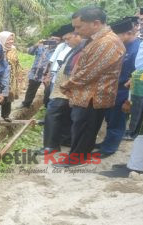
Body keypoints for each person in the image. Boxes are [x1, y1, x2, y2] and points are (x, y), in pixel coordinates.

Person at [56, 6, 125, 167]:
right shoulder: (98, 40)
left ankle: (77, 160)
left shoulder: (107, 42)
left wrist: (67, 85)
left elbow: (89, 72)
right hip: (87, 95)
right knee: (82, 127)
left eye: (79, 26)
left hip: (92, 96)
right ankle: (79, 156)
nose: (76, 31)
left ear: (96, 23)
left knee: (84, 128)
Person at [94, 19, 140, 156]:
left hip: (124, 90)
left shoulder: (138, 49)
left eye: (117, 35)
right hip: (113, 88)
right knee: (109, 118)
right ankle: (107, 142)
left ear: (129, 33)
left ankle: (109, 149)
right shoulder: (122, 46)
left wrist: (130, 99)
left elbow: (136, 75)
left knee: (117, 120)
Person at [36, 25, 84, 155]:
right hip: (62, 87)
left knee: (53, 114)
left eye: (68, 38)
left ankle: (51, 146)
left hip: (65, 89)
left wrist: (67, 86)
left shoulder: (83, 50)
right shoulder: (74, 48)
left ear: (77, 36)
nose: (66, 41)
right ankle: (65, 139)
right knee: (64, 115)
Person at [16, 36, 60, 109]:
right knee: (31, 89)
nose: (54, 41)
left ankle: (46, 107)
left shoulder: (58, 50)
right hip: (36, 72)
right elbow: (30, 52)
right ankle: (26, 104)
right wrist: (36, 44)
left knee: (47, 91)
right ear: (48, 39)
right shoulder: (41, 47)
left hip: (48, 74)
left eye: (57, 40)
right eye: (52, 39)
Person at [124, 31, 143, 140]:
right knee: (135, 104)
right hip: (140, 74)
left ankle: (134, 132)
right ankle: (133, 130)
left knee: (139, 105)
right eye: (142, 19)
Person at [0, 31, 22, 122]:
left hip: (11, 77)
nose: (11, 41)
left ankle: (6, 115)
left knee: (9, 95)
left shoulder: (13, 49)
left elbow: (17, 62)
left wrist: (19, 74)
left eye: (12, 39)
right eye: (8, 40)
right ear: (2, 40)